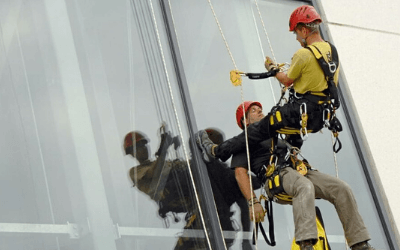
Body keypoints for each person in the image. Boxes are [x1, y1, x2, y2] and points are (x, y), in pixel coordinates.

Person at [202, 101, 375, 250]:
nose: (260, 111)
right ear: (245, 121)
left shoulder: (277, 136)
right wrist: (253, 202)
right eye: (253, 110)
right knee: (303, 187)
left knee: (341, 188)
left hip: (296, 171)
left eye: (259, 108)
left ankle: (359, 243)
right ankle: (306, 243)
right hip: (276, 178)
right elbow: (240, 174)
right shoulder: (244, 142)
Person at [196, 5, 343, 164]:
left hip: (299, 115)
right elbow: (319, 84)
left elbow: (286, 80)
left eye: (296, 32)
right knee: (291, 135)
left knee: (257, 129)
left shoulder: (303, 54)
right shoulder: (332, 51)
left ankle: (217, 151)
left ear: (304, 31)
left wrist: (272, 68)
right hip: (318, 119)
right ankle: (290, 161)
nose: (296, 38)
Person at [124, 126, 260, 249]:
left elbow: (244, 201)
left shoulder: (219, 172)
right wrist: (164, 148)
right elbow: (156, 175)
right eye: (138, 148)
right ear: (131, 153)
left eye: (142, 146)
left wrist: (246, 240)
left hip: (209, 222)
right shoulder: (137, 172)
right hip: (204, 219)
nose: (142, 150)